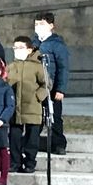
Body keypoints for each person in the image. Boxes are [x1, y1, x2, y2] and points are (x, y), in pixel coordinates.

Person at [7, 36, 47, 173]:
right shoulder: (11, 67)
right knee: (14, 137)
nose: (17, 50)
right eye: (15, 48)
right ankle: (15, 162)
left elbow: (46, 84)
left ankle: (30, 162)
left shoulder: (37, 66)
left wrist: (38, 96)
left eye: (21, 47)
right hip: (15, 109)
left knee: (32, 138)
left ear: (29, 50)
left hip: (32, 107)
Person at [32, 12, 70, 155]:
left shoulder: (57, 45)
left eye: (42, 24)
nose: (38, 27)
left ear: (51, 25)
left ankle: (58, 144)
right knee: (36, 117)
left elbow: (63, 67)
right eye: (36, 24)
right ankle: (31, 142)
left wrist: (61, 89)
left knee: (54, 117)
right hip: (36, 87)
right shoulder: (34, 43)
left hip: (52, 87)